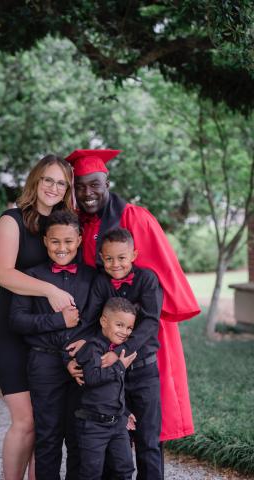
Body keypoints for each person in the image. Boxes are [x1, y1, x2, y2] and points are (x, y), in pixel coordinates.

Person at [65, 148, 201, 447]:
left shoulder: (133, 218)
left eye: (94, 184)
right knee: (107, 415)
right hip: (101, 330)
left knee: (148, 419)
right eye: (80, 186)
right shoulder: (78, 225)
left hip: (142, 329)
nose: (87, 193)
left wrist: (130, 329)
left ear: (107, 183)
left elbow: (159, 272)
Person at [0, 154, 75, 480]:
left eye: (61, 183)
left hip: (47, 336)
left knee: (47, 424)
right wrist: (49, 291)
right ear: (36, 181)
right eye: (48, 179)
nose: (53, 187)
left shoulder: (62, 226)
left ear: (67, 189)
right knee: (25, 422)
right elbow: (3, 273)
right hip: (9, 334)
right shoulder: (12, 220)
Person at [10, 210, 97, 480]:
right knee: (48, 437)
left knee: (78, 436)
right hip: (44, 364)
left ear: (80, 240)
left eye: (69, 242)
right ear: (46, 241)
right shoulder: (31, 276)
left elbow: (95, 321)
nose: (62, 248)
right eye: (55, 241)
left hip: (80, 364)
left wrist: (83, 350)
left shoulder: (93, 277)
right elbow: (18, 321)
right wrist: (58, 320)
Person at [74, 226, 163, 479]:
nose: (115, 264)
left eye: (122, 257)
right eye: (109, 258)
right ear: (101, 257)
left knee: (148, 439)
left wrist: (120, 352)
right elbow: (90, 321)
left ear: (134, 255)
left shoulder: (147, 280)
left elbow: (149, 323)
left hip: (144, 370)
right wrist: (73, 359)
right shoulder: (101, 282)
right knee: (112, 438)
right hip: (109, 376)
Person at [75, 297, 137, 480]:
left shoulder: (118, 351)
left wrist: (124, 412)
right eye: (119, 325)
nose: (124, 332)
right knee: (91, 473)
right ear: (104, 321)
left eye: (129, 328)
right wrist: (119, 367)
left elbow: (114, 390)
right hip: (94, 425)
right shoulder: (92, 348)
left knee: (124, 469)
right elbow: (91, 378)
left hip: (117, 424)